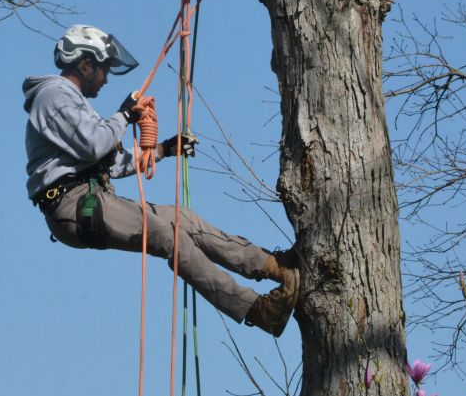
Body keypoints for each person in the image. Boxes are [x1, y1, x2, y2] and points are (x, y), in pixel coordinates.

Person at [23, 24, 301, 336]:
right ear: (85, 64)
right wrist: (124, 115)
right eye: (103, 70)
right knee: (169, 237)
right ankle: (257, 310)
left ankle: (273, 265)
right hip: (73, 204)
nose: (105, 78)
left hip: (89, 195)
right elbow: (94, 144)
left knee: (184, 220)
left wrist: (164, 150)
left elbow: (106, 162)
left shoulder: (71, 103)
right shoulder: (54, 96)